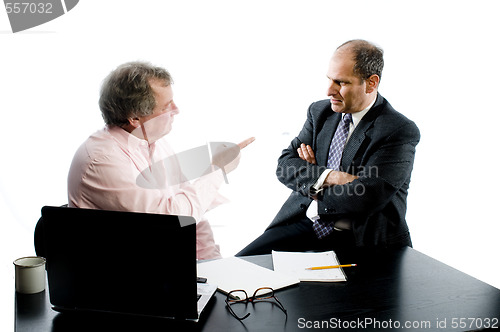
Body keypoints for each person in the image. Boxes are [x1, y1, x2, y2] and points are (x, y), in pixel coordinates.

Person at [237, 40, 420, 256]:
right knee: (238, 268)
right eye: (329, 79)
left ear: (371, 83)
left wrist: (312, 182)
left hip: (361, 240)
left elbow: (366, 196)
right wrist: (330, 176)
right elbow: (285, 166)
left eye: (341, 83)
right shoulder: (320, 112)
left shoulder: (398, 130)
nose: (329, 90)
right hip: (306, 223)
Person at [67, 61, 253, 260]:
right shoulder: (102, 160)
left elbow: (193, 213)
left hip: (166, 269)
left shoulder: (153, 143)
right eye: (167, 106)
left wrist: (213, 264)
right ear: (135, 118)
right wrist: (216, 170)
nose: (177, 110)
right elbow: (171, 219)